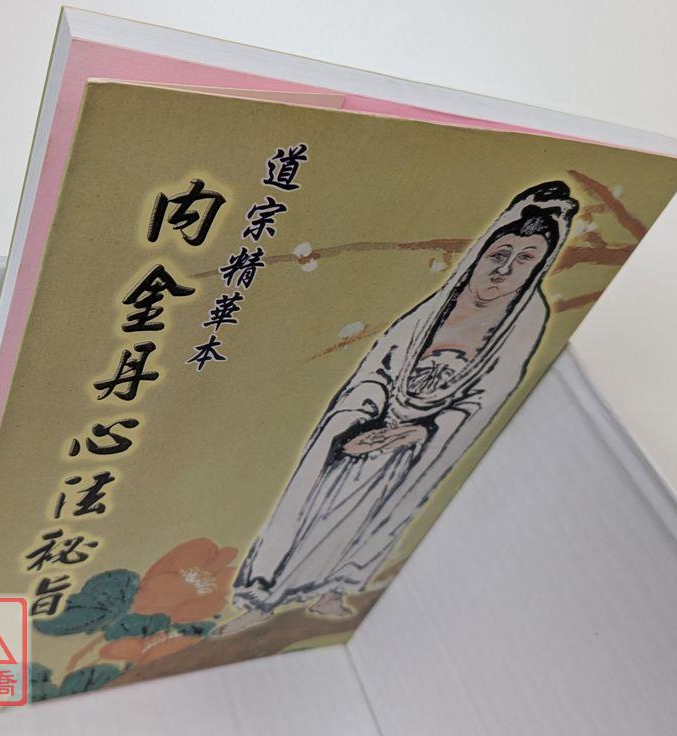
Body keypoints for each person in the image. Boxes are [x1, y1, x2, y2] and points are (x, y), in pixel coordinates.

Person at [214, 181, 579, 635]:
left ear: (540, 265)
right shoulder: (439, 304)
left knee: (379, 517)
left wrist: (424, 431)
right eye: (499, 254)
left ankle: (335, 590)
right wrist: (354, 428)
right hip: (367, 430)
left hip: (419, 446)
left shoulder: (527, 319)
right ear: (483, 250)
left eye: (524, 260)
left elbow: (489, 395)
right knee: (312, 510)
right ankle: (263, 599)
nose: (504, 270)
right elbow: (377, 372)